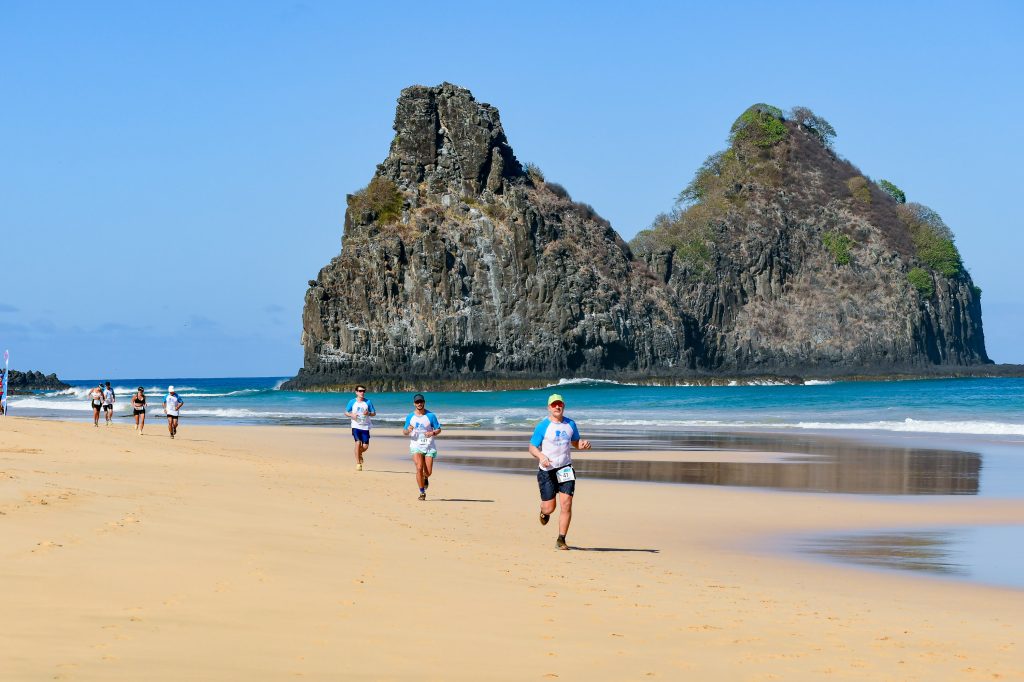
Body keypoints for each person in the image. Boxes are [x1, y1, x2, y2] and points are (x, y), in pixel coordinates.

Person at [528, 393, 591, 550]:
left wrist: (581, 445)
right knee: (550, 507)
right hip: (547, 470)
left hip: (565, 469)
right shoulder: (543, 426)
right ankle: (544, 512)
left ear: (563, 406)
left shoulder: (570, 424)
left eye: (560, 404)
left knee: (566, 504)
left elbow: (575, 442)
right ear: (549, 407)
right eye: (554, 404)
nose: (557, 407)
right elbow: (532, 447)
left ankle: (561, 540)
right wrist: (541, 456)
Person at [402, 393, 442, 500]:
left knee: (428, 472)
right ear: (414, 404)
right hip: (416, 445)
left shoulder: (431, 416)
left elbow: (439, 429)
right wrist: (408, 430)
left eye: (421, 401)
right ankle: (422, 492)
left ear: (424, 402)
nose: (419, 403)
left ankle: (425, 477)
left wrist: (432, 433)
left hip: (429, 446)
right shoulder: (410, 417)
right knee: (419, 467)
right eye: (417, 402)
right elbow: (404, 431)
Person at [345, 385, 376, 471]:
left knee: (365, 447)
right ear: (356, 392)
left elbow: (374, 413)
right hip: (355, 426)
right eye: (360, 391)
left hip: (365, 426)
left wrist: (368, 413)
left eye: (363, 391)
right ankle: (358, 464)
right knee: (358, 442)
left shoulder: (368, 402)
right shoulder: (352, 402)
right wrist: (352, 415)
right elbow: (346, 412)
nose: (362, 392)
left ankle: (358, 453)